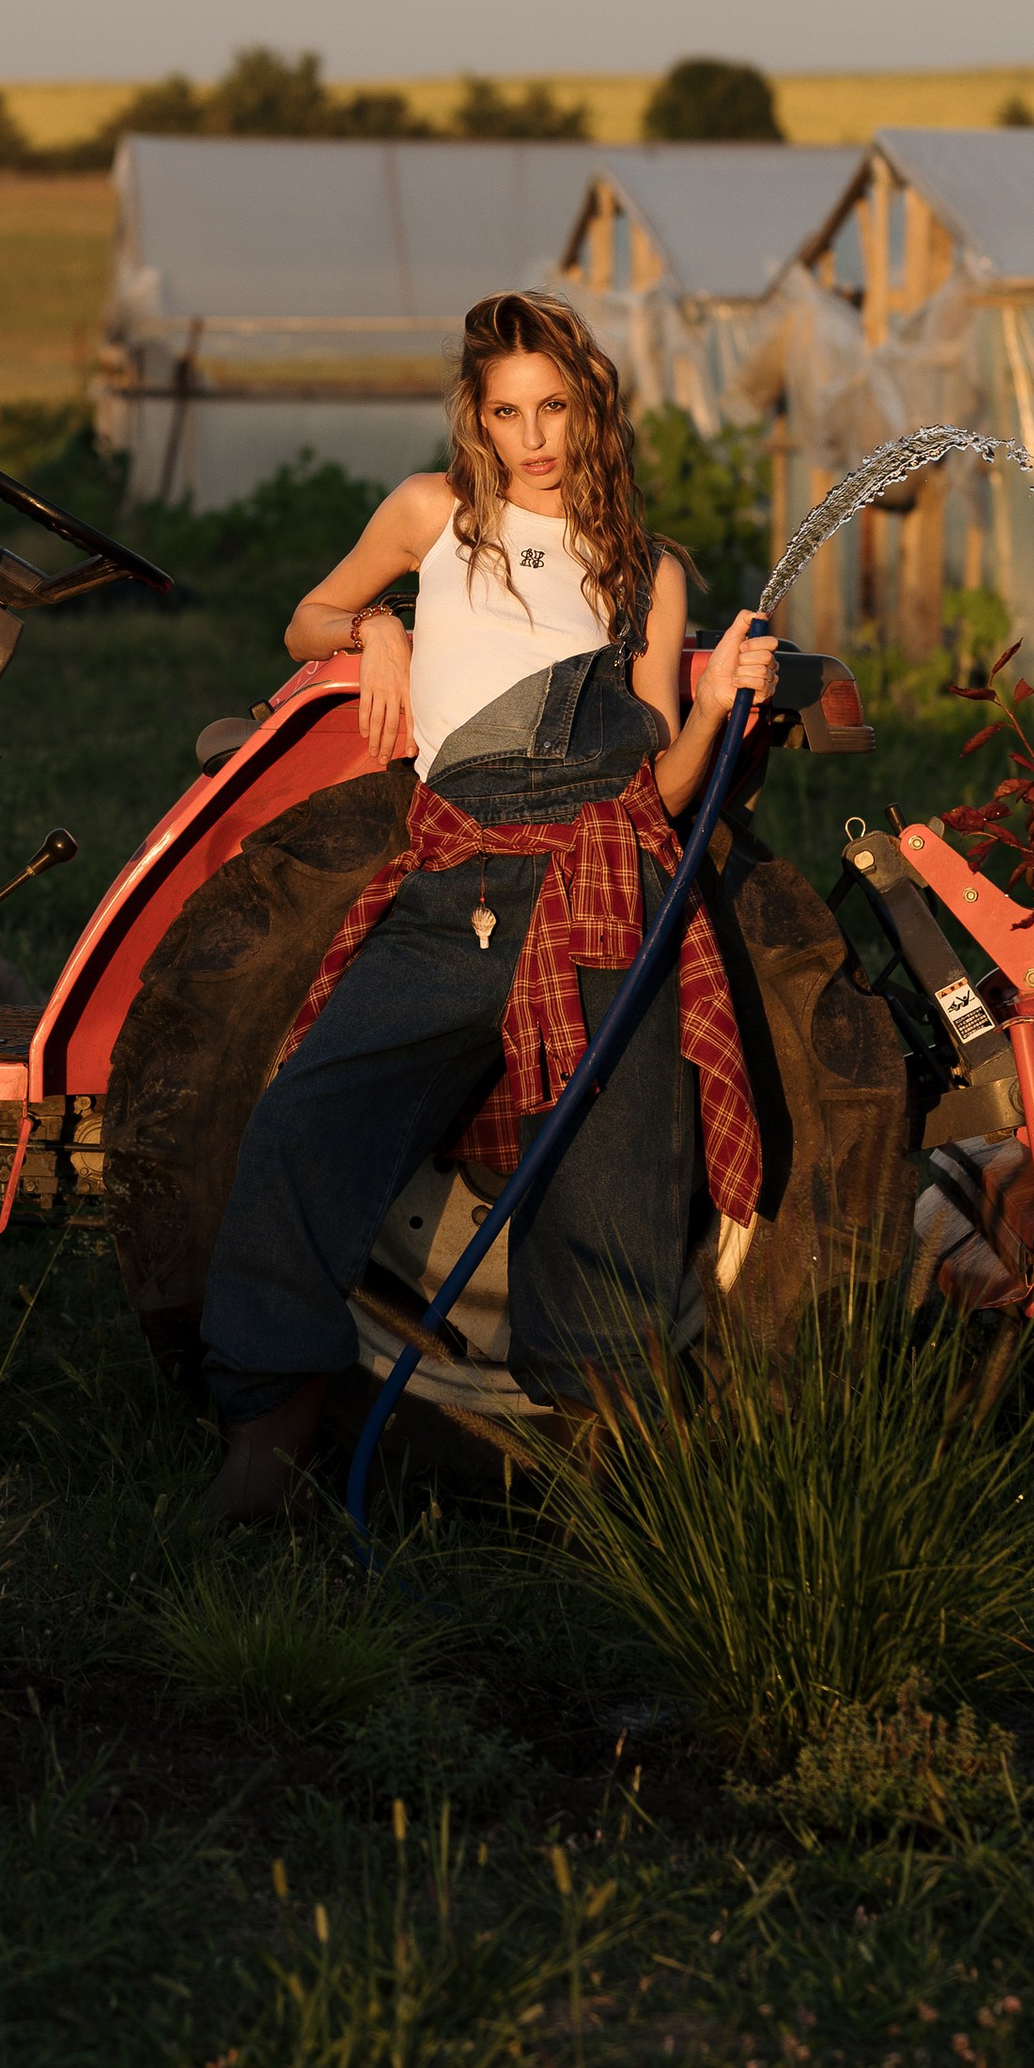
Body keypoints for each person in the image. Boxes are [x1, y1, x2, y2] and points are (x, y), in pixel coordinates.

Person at [195, 287, 776, 1522]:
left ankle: (606, 1495)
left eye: (554, 406)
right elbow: (303, 613)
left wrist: (717, 697)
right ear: (478, 416)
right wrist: (379, 626)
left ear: (592, 407)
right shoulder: (431, 515)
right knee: (304, 1115)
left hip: (600, 877)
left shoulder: (649, 570)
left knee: (609, 1180)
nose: (534, 436)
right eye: (508, 411)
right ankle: (270, 1439)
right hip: (457, 877)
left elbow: (661, 783)